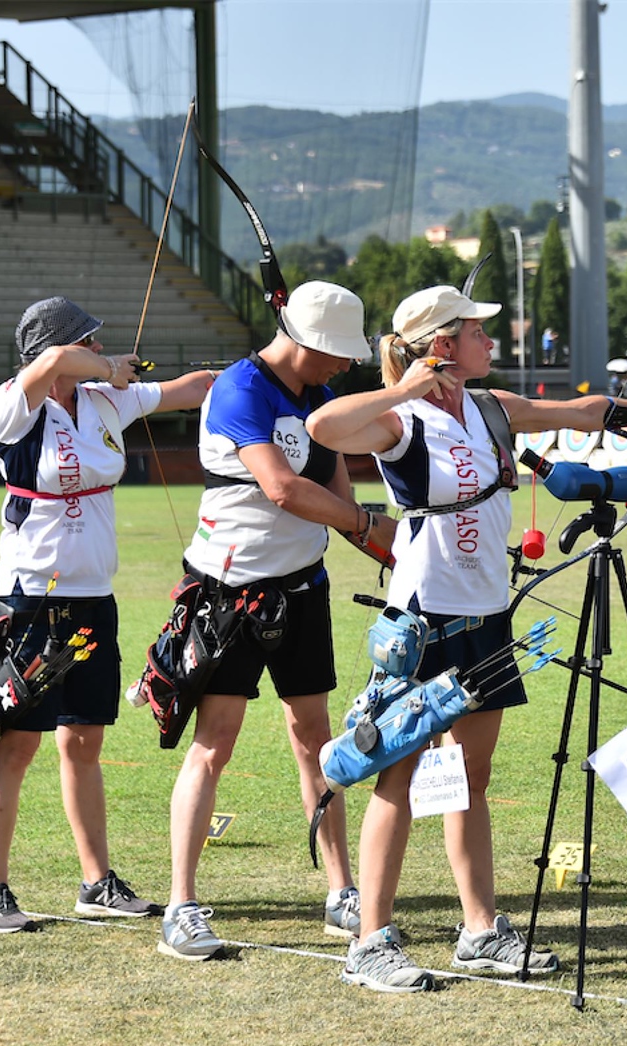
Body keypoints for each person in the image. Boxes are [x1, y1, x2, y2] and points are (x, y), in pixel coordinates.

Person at [307, 285, 627, 992]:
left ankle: (480, 929)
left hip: (487, 617)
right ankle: (370, 940)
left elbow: (582, 411)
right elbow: (325, 427)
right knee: (396, 776)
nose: (491, 341)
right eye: (476, 332)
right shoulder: (404, 421)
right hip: (423, 621)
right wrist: (405, 388)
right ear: (442, 345)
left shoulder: (489, 408)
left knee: (468, 777)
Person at [156, 281, 396, 961]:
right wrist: (367, 524)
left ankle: (341, 891)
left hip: (303, 589)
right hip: (231, 594)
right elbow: (283, 487)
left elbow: (341, 495)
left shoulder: (322, 399)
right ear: (309, 341)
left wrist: (397, 546)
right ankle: (181, 902)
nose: (344, 367)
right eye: (337, 354)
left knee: (316, 740)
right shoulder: (239, 390)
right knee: (217, 740)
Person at [0, 296, 215, 934]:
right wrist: (107, 366)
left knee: (82, 738)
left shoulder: (106, 400)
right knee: (17, 740)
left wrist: (253, 376)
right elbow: (53, 359)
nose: (96, 352)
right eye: (87, 343)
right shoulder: (10, 406)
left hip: (90, 599)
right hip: (28, 598)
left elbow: (186, 390)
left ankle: (95, 882)